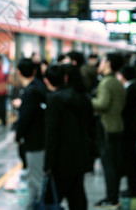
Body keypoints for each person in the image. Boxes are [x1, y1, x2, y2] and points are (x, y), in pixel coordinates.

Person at [44, 65, 93, 210]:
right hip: (81, 156)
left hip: (61, 159)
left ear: (65, 78)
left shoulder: (55, 99)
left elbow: (52, 135)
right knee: (77, 196)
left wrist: (48, 164)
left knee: (52, 199)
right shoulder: (84, 98)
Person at [92, 53, 126, 208]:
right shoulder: (117, 82)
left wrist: (88, 101)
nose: (101, 63)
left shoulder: (106, 83)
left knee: (109, 166)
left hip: (107, 127)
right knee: (116, 163)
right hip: (118, 125)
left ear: (109, 63)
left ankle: (111, 198)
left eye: (103, 60)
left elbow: (103, 104)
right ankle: (114, 196)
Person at [15, 58, 47, 209]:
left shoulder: (30, 92)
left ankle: (37, 205)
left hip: (34, 140)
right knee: (36, 175)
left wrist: (18, 136)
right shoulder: (39, 87)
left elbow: (25, 118)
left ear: (19, 72)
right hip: (41, 137)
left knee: (35, 178)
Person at [119, 65, 136, 198]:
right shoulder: (135, 87)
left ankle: (134, 189)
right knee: (131, 161)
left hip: (129, 131)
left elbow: (126, 111)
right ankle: (132, 187)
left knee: (130, 161)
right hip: (133, 130)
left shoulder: (131, 90)